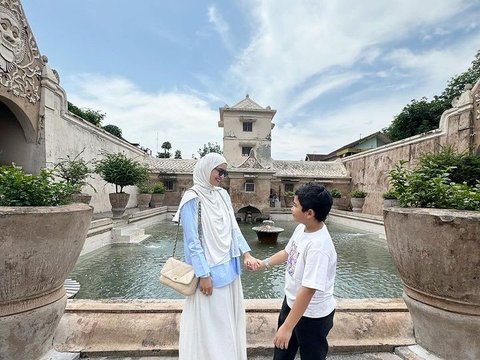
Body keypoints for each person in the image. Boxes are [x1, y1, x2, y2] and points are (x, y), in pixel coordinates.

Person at [172, 152, 258, 360]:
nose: (222, 176)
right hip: (209, 273)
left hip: (230, 268)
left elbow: (233, 227)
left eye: (224, 172)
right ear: (205, 169)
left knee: (228, 323)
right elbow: (193, 242)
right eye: (219, 171)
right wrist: (203, 275)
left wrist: (246, 254)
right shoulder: (192, 198)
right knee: (211, 326)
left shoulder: (222, 195)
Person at [254, 183, 337, 360]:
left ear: (309, 213)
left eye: (295, 205)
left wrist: (287, 327)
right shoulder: (303, 228)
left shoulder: (319, 247)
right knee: (281, 355)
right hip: (291, 303)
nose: (291, 208)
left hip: (313, 316)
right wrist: (263, 263)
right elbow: (287, 253)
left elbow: (308, 290)